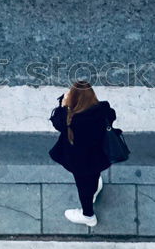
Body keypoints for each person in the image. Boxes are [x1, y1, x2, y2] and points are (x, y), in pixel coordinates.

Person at [48, 81, 117, 228]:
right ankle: (95, 187)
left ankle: (88, 216)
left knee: (83, 189)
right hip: (99, 155)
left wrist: (63, 103)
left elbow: (55, 121)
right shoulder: (103, 110)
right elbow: (112, 116)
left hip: (78, 161)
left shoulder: (69, 117)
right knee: (92, 177)